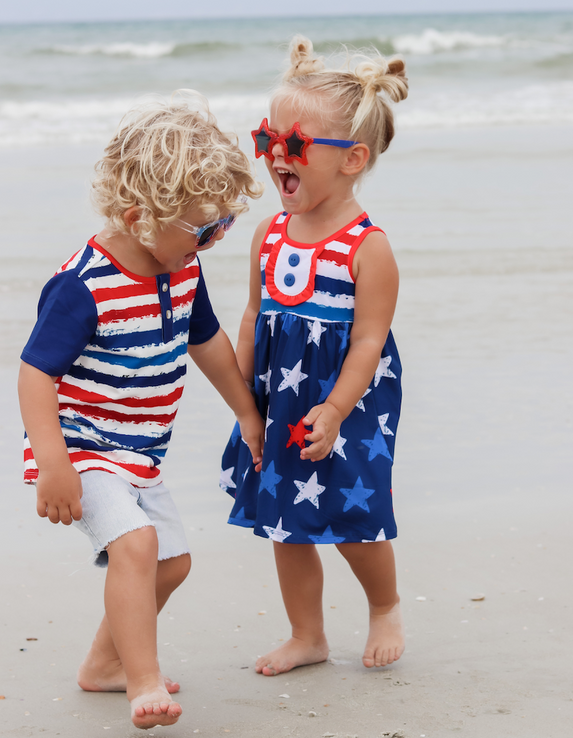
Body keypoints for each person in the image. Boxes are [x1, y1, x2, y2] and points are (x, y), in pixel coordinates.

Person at [18, 93, 265, 729]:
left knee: (172, 563)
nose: (210, 243)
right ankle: (143, 681)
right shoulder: (84, 285)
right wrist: (53, 463)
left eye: (222, 229)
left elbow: (206, 342)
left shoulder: (180, 267)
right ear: (139, 217)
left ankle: (103, 664)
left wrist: (246, 412)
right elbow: (34, 372)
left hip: (138, 452)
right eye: (202, 230)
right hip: (81, 448)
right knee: (136, 544)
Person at [220, 36, 408, 677]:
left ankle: (384, 606)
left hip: (348, 401)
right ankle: (308, 634)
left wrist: (332, 408)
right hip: (281, 398)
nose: (276, 156)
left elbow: (368, 342)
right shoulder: (268, 234)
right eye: (267, 139)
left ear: (353, 159)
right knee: (285, 520)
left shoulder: (367, 248)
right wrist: (247, 402)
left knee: (352, 515)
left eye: (293, 145)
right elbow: (253, 316)